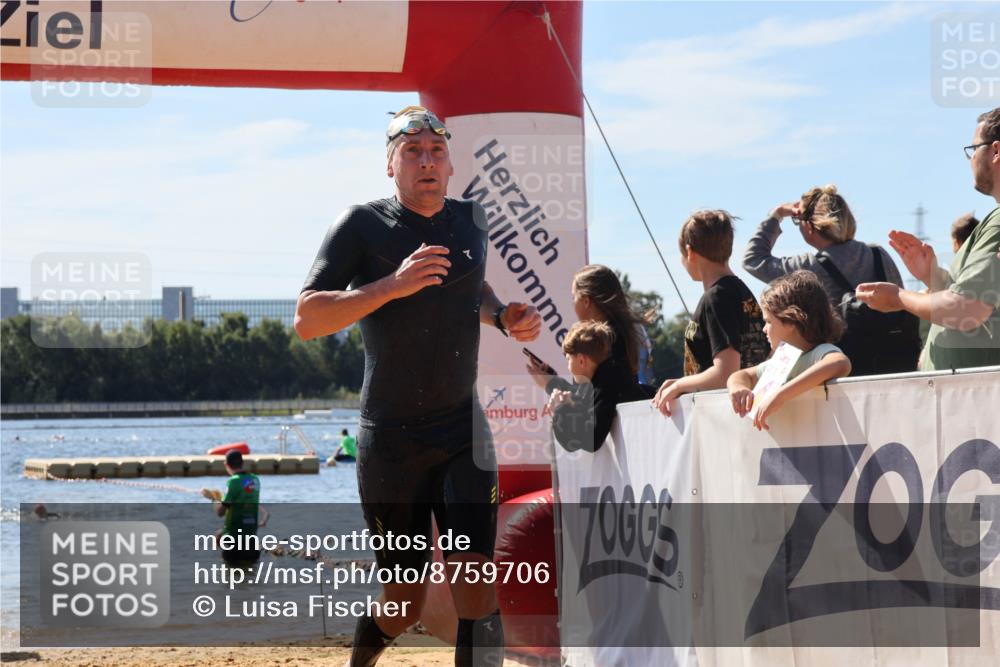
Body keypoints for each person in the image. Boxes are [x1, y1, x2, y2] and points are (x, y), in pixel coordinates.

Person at [294, 105, 541, 667]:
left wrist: (502, 316)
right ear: (391, 165)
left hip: (462, 431)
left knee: (476, 587)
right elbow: (307, 319)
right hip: (392, 442)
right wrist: (392, 285)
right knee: (404, 603)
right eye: (412, 152)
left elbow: (471, 288)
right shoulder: (361, 225)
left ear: (450, 165)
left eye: (436, 151)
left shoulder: (471, 220)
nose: (426, 161)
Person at [857, 108, 1000, 371]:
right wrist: (932, 275)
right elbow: (979, 299)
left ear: (996, 150)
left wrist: (899, 297)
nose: (970, 159)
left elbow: (967, 308)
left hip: (977, 393)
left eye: (973, 149)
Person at [742, 184, 919, 376]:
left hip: (843, 371)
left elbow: (753, 260)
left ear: (809, 227)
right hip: (897, 364)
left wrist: (776, 215)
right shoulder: (878, 254)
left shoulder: (809, 266)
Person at [654, 210, 770, 415]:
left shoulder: (716, 298)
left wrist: (679, 385)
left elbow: (725, 373)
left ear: (689, 252)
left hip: (725, 415)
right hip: (747, 410)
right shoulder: (741, 292)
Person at [728, 271, 852, 430]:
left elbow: (840, 363)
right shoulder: (781, 362)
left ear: (790, 321)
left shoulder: (819, 352)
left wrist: (780, 395)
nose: (764, 329)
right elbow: (742, 375)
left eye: (768, 322)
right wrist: (739, 388)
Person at [527, 264, 655, 396]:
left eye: (574, 298)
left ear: (586, 301)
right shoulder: (621, 334)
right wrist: (552, 380)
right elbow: (593, 395)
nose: (573, 304)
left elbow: (592, 401)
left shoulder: (603, 340)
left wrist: (550, 384)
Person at [547, 320, 650, 453]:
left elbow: (592, 440)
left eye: (568, 359)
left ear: (581, 360)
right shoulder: (601, 380)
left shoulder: (608, 383)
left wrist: (561, 408)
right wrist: (567, 405)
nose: (568, 367)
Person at [200, 449, 268, 569]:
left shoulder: (233, 481)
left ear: (226, 464)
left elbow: (220, 512)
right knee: (251, 575)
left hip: (234, 542)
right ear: (242, 463)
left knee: (231, 575)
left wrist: (213, 499)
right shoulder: (254, 479)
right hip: (251, 540)